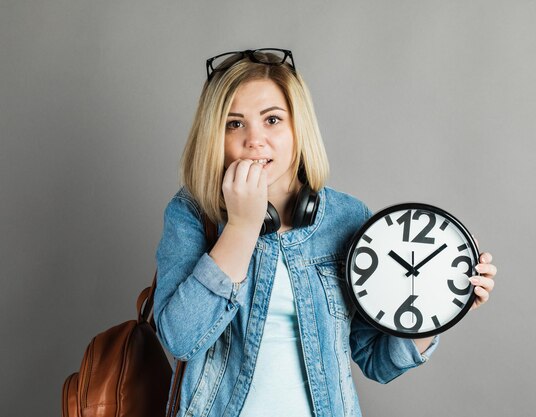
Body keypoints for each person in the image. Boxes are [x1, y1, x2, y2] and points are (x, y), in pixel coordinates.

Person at [153, 48, 497, 417]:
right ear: (214, 137)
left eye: (272, 120)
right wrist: (240, 227)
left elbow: (376, 361)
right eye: (234, 124)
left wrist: (439, 308)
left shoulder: (347, 217)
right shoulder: (192, 212)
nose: (255, 140)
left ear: (298, 128)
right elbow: (179, 339)